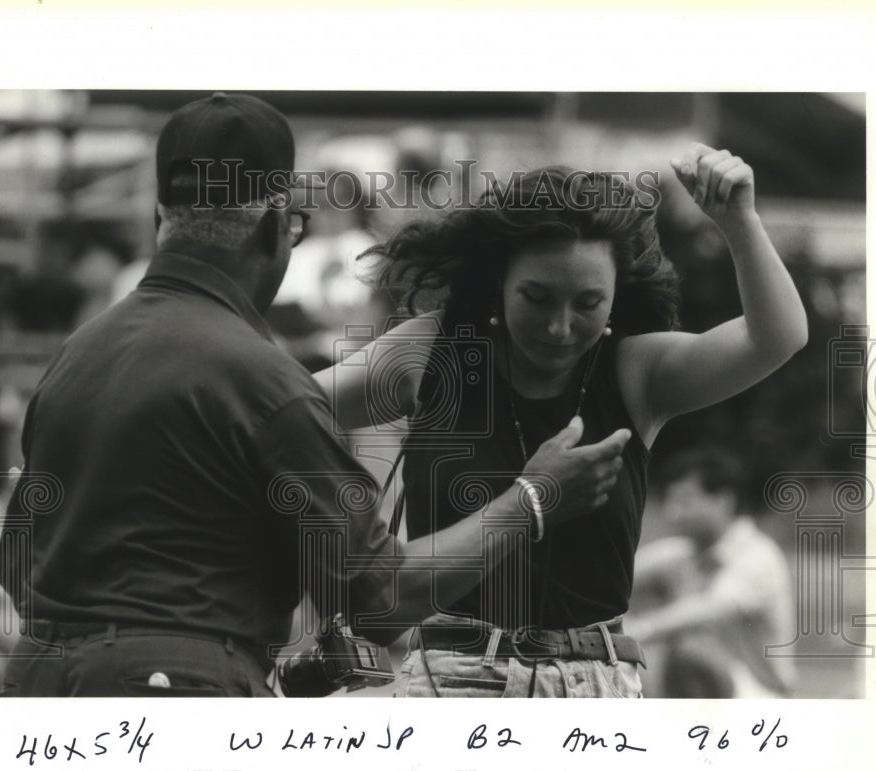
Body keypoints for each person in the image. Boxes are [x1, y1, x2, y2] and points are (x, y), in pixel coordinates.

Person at [0, 93, 631, 697]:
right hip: (170, 692)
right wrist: (534, 499)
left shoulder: (74, 358)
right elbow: (381, 602)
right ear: (278, 227)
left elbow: (13, 567)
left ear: (160, 217)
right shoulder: (264, 380)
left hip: (38, 692)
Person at [317, 147, 808, 697]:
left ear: (616, 297)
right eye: (537, 297)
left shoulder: (637, 372)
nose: (559, 327)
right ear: (500, 281)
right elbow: (283, 411)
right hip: (453, 682)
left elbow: (777, 337)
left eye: (588, 302)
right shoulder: (434, 352)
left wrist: (738, 221)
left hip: (596, 688)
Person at [628, 447, 796, 698]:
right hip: (708, 694)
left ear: (723, 500)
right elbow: (618, 575)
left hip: (762, 699)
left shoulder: (758, 556)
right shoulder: (681, 554)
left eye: (685, 501)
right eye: (670, 501)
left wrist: (640, 629)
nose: (672, 512)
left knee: (690, 650)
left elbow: (708, 609)